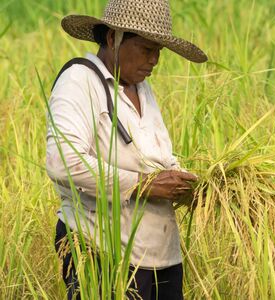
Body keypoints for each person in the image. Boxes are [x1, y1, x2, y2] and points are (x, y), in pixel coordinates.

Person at [46, 0, 207, 299]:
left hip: (160, 255)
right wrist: (142, 185)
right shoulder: (79, 81)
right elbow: (62, 161)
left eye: (159, 51)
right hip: (104, 250)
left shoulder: (141, 87)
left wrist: (191, 185)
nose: (155, 60)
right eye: (147, 49)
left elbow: (158, 160)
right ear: (112, 38)